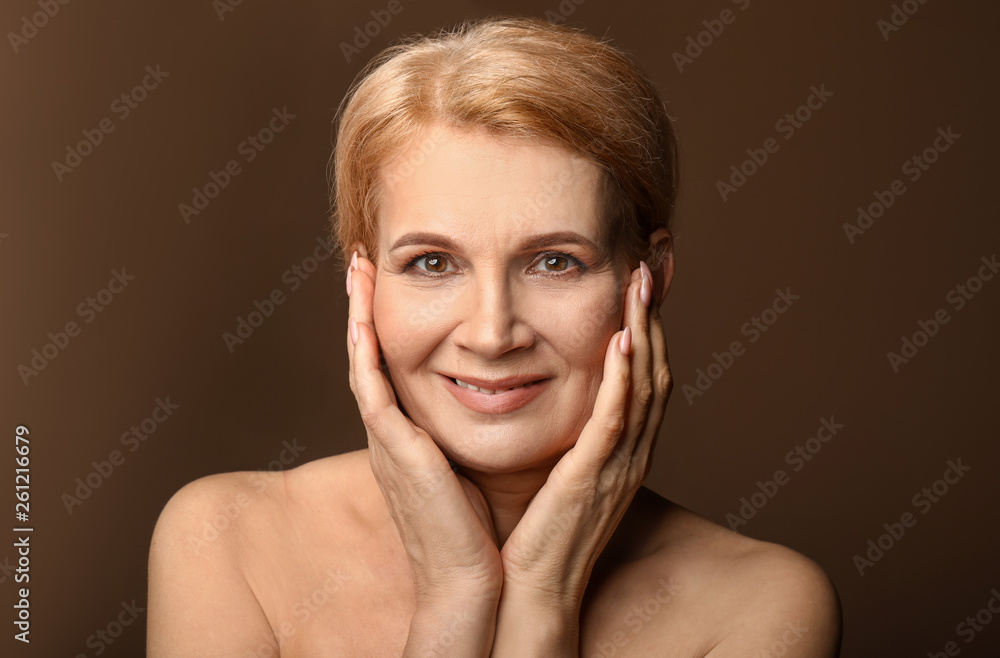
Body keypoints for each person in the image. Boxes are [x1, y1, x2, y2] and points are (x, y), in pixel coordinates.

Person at [147, 16, 841, 656]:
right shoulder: (228, 542)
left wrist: (543, 597)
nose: (491, 333)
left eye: (554, 262)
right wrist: (455, 595)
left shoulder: (763, 607)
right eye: (433, 263)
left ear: (648, 276)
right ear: (363, 283)